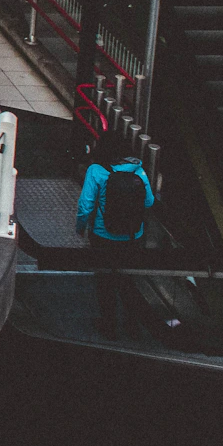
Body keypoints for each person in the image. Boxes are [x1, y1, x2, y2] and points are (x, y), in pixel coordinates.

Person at [75, 131, 155, 338]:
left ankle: (109, 325)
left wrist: (80, 227)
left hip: (103, 235)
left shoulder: (96, 170)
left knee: (105, 281)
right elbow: (149, 202)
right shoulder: (139, 170)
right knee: (128, 279)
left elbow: (86, 205)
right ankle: (132, 326)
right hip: (132, 236)